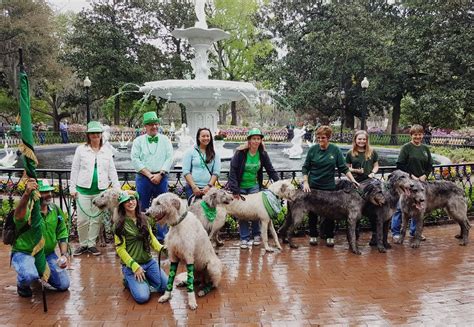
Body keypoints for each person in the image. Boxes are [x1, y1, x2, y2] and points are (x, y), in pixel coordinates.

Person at [12, 179, 70, 297]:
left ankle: (38, 271)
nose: (48, 195)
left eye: (49, 191)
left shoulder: (55, 210)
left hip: (47, 254)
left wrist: (64, 255)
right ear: (36, 194)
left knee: (64, 284)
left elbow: (62, 233)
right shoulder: (28, 210)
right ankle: (22, 283)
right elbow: (18, 216)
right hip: (25, 253)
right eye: (43, 192)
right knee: (28, 275)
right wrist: (26, 194)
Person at [302, 125, 359, 247]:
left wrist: (353, 180)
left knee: (330, 212)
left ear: (328, 138)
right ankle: (313, 235)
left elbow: (343, 167)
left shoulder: (335, 150)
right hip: (313, 186)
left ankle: (329, 235)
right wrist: (306, 182)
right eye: (318, 138)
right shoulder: (312, 150)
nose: (320, 140)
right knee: (312, 212)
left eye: (323, 138)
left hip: (328, 187)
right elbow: (305, 167)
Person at [70, 121, 120, 256]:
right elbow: (75, 169)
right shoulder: (81, 150)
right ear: (88, 135)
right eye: (92, 133)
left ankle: (91, 244)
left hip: (100, 191)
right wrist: (72, 188)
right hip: (83, 190)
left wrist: (118, 189)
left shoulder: (107, 150)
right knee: (82, 219)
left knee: (96, 220)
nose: (95, 135)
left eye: (97, 133)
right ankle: (83, 244)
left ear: (101, 135)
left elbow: (112, 170)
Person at [228, 128, 279, 249]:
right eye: (254, 139)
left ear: (261, 141)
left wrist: (278, 182)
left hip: (254, 186)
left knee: (257, 211)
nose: (256, 141)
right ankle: (244, 238)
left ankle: (257, 235)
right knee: (242, 213)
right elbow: (233, 171)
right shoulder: (240, 153)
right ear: (249, 140)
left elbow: (270, 169)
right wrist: (235, 189)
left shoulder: (262, 154)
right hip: (241, 187)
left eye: (258, 139)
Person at [114, 190, 168, 304]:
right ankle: (128, 281)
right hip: (132, 266)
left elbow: (152, 239)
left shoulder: (144, 218)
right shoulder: (119, 224)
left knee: (167, 287)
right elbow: (120, 249)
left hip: (148, 262)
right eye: (126, 201)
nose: (130, 202)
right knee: (143, 297)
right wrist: (135, 266)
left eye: (133, 199)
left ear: (137, 201)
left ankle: (146, 277)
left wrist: (163, 249)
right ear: (122, 204)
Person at [131, 112, 173, 243]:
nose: (154, 126)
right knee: (141, 207)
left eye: (156, 124)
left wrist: (160, 174)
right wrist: (149, 175)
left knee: (163, 208)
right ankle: (144, 235)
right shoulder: (138, 141)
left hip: (161, 178)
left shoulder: (165, 140)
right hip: (143, 178)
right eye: (150, 124)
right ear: (145, 126)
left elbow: (169, 157)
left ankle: (162, 237)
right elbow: (135, 159)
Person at [391, 124, 433, 241]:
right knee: (401, 208)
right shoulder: (406, 148)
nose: (417, 137)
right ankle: (395, 232)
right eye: (415, 134)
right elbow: (400, 165)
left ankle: (414, 232)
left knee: (418, 206)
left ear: (422, 135)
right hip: (408, 183)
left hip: (421, 182)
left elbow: (430, 165)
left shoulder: (425, 149)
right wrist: (411, 175)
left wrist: (425, 175)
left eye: (420, 134)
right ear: (411, 135)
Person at [346, 130, 379, 243]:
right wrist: (355, 170)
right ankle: (355, 233)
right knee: (356, 209)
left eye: (364, 139)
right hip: (356, 184)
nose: (362, 141)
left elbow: (376, 166)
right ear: (355, 140)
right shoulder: (351, 153)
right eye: (359, 139)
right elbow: (346, 168)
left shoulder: (372, 152)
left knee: (372, 210)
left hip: (369, 184)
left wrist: (373, 173)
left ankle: (375, 235)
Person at [182, 127, 221, 203]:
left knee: (209, 212)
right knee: (194, 212)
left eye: (208, 136)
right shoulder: (190, 151)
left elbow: (216, 172)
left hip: (209, 189)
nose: (206, 138)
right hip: (192, 188)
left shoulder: (215, 153)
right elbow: (186, 171)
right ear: (198, 137)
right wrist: (194, 187)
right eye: (203, 136)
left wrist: (208, 186)